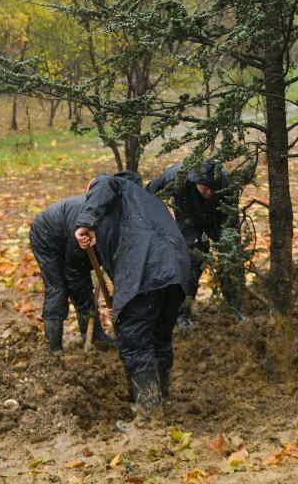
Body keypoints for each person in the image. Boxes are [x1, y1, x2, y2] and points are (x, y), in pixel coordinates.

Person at [74, 171, 191, 414]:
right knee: (160, 338)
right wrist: (120, 302)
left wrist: (85, 222)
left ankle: (149, 412)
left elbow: (105, 182)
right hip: (176, 274)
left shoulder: (111, 184)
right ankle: (161, 399)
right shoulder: (144, 203)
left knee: (136, 342)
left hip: (147, 272)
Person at [146, 158, 243, 326]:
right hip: (189, 220)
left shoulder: (227, 182)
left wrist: (231, 243)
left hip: (219, 218)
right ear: (195, 181)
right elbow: (146, 195)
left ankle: (235, 306)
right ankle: (182, 314)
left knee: (231, 259)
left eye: (213, 189)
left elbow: (232, 219)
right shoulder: (176, 176)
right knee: (191, 262)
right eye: (205, 188)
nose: (210, 193)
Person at [27, 196, 115, 352]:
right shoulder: (84, 227)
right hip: (46, 235)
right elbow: (75, 274)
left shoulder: (114, 224)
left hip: (70, 234)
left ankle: (96, 338)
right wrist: (87, 307)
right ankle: (55, 348)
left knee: (81, 286)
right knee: (58, 288)